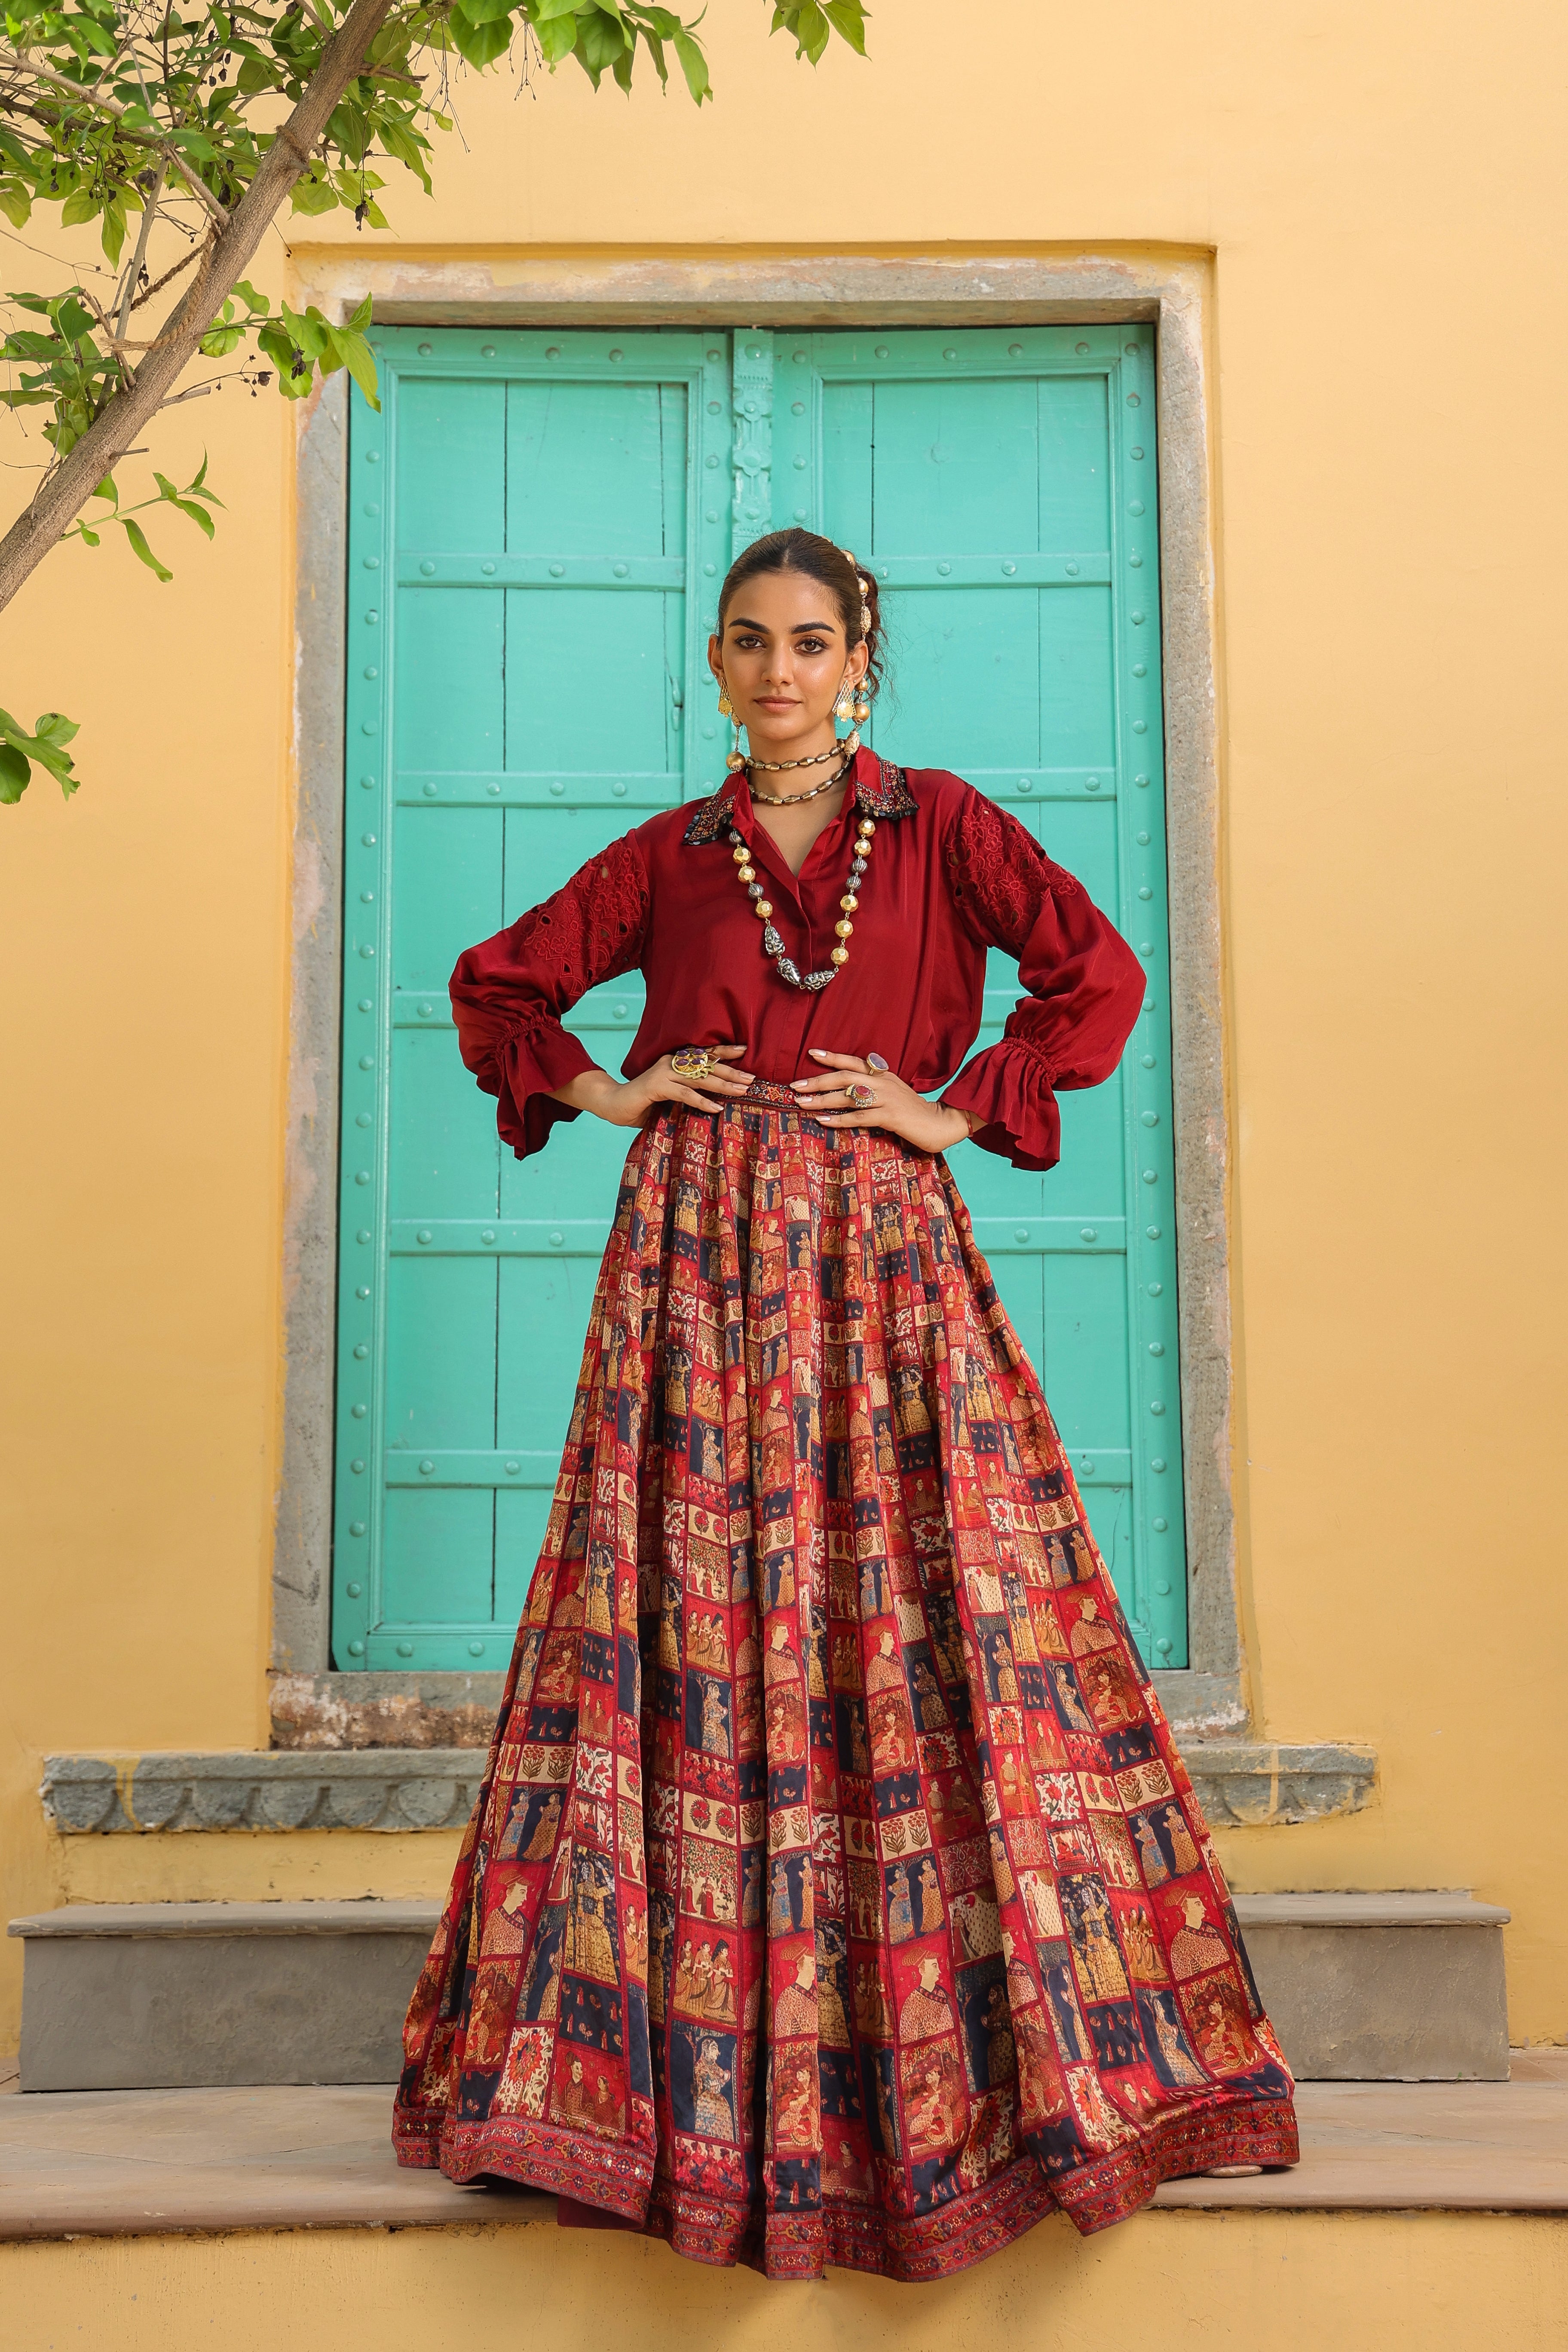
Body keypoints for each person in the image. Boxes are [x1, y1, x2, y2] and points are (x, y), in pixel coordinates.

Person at [392, 528, 1298, 2279]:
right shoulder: (670, 858)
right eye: (748, 642)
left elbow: (1093, 974)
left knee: (926, 1601)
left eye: (811, 641)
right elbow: (497, 986)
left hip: (882, 1249)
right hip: (691, 1259)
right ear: (714, 666)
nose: (779, 670)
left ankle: (956, 2086)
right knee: (689, 1615)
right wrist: (609, 1086)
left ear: (859, 657)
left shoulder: (944, 827)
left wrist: (960, 1107)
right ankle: (662, 2096)